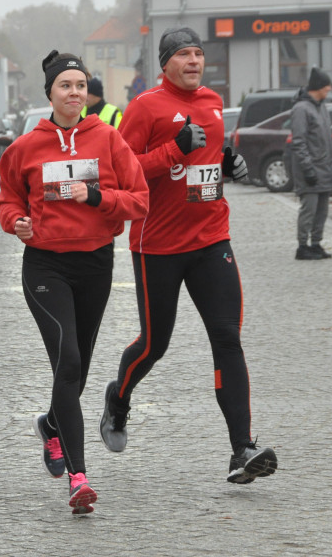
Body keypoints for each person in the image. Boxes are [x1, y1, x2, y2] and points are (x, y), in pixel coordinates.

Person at [97, 26, 277, 486]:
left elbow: (207, 158)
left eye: (199, 53)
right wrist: (173, 150)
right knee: (155, 345)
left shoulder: (215, 103)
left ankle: (242, 449)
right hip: (157, 245)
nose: (194, 61)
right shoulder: (144, 107)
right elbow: (125, 170)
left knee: (227, 339)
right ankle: (118, 399)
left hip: (212, 237)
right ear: (165, 64)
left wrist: (227, 163)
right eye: (184, 54)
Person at [0, 50, 148, 514]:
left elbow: (139, 201)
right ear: (50, 92)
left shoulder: (107, 138)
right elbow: (7, 203)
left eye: (81, 86)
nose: (74, 93)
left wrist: (97, 195)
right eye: (66, 85)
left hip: (96, 264)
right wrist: (17, 221)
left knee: (76, 371)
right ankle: (79, 478)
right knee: (68, 361)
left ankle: (50, 425)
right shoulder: (24, 148)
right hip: (45, 267)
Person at [290, 67, 332, 260]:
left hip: (324, 168)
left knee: (322, 210)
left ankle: (316, 243)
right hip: (309, 170)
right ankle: (303, 246)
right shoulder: (301, 109)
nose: (329, 89)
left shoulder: (321, 106)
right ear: (318, 87)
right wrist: (308, 169)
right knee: (309, 210)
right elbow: (299, 142)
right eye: (327, 86)